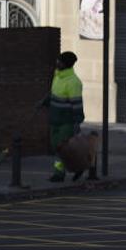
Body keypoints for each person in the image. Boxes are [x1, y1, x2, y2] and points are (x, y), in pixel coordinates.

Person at [38, 51, 85, 182]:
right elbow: (53, 93)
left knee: (60, 147)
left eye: (60, 61)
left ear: (66, 64)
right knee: (55, 146)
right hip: (55, 119)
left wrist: (77, 122)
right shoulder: (57, 76)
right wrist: (44, 101)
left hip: (67, 122)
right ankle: (78, 166)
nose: (57, 63)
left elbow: (77, 104)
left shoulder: (74, 82)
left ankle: (59, 174)